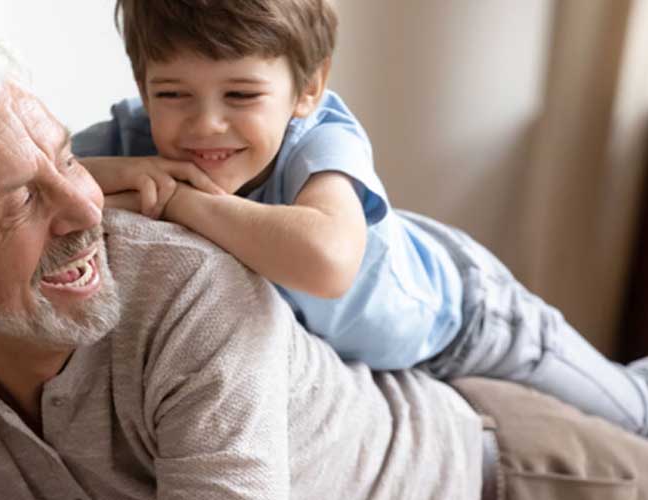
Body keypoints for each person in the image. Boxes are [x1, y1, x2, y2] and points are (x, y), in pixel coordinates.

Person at [0, 33, 648, 500]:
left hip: (516, 475)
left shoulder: (193, 293)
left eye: (67, 159)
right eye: (22, 200)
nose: (83, 209)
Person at [73, 0, 648, 438]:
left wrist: (179, 200)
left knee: (627, 413)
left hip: (471, 321)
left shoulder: (321, 139)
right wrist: (118, 171)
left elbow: (326, 263)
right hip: (381, 353)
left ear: (309, 88)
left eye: (242, 95)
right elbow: (26, 181)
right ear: (144, 88)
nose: (205, 125)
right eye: (172, 93)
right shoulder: (134, 140)